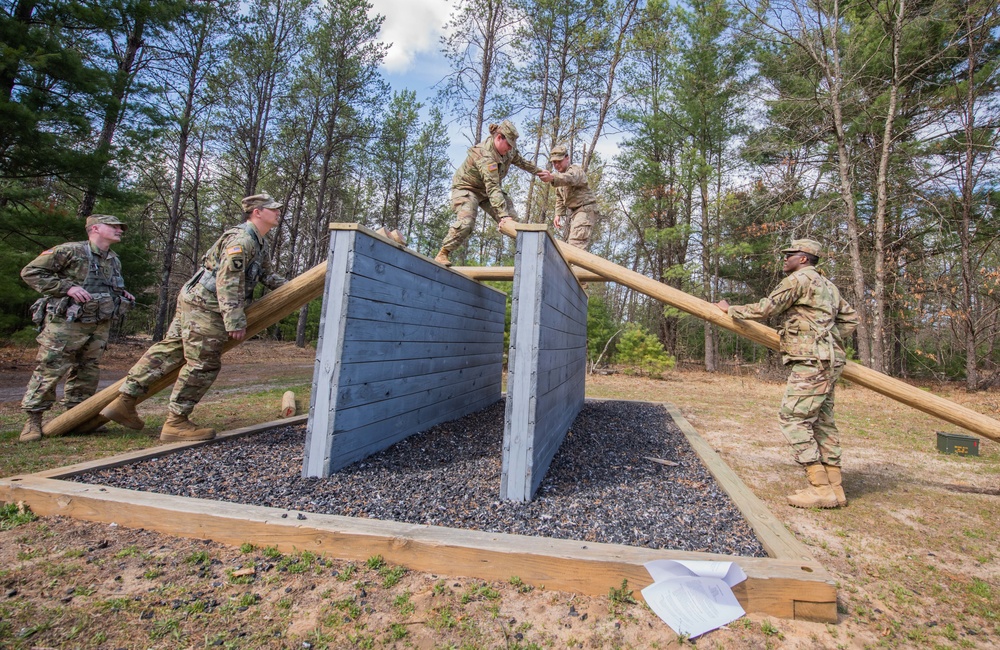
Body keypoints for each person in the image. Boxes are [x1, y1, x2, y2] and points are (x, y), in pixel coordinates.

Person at [101, 194, 287, 442]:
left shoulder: (258, 241)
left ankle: (124, 401)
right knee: (204, 362)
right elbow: (227, 280)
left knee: (170, 350)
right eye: (272, 209)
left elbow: (266, 275)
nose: (277, 213)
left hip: (198, 300)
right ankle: (176, 423)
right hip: (206, 304)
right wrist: (234, 320)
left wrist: (295, 286)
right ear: (256, 212)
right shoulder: (242, 240)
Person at [714, 239, 859, 509]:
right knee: (822, 421)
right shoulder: (829, 286)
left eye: (790, 254)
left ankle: (820, 488)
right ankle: (835, 487)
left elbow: (767, 308)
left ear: (803, 259)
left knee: (792, 418)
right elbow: (850, 319)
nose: (785, 258)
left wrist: (730, 309)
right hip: (829, 359)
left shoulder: (799, 280)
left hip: (811, 360)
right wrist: (826, 338)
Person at [18, 215, 136, 442]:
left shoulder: (113, 259)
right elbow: (30, 272)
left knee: (87, 369)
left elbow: (106, 285)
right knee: (51, 368)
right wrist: (66, 288)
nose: (120, 230)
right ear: (95, 228)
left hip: (98, 322)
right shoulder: (70, 251)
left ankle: (77, 417)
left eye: (120, 227)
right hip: (66, 323)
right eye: (114, 226)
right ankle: (33, 420)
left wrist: (121, 294)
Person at [435, 120, 546, 266]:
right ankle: (443, 252)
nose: (509, 149)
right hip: (467, 188)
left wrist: (539, 172)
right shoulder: (485, 156)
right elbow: (493, 187)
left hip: (486, 192)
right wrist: (503, 216)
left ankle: (529, 257)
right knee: (467, 222)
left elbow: (521, 161)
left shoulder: (508, 149)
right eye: (508, 145)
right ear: (499, 137)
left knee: (514, 221)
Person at [536, 144, 601, 251]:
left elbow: (570, 178)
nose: (556, 165)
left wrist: (552, 177)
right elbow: (560, 198)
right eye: (554, 162)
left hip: (585, 210)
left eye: (559, 161)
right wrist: (558, 214)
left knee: (576, 244)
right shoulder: (560, 177)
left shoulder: (575, 171)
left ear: (567, 158)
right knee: (572, 244)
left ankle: (576, 267)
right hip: (575, 213)